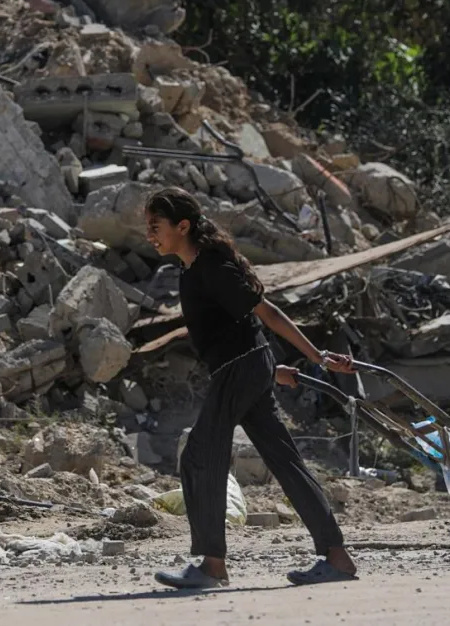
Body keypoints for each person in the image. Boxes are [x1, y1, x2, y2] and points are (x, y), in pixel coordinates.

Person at [144, 187, 359, 590]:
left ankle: (211, 565)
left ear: (183, 226)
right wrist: (268, 368)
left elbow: (267, 312)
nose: (149, 235)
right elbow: (237, 329)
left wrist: (316, 356)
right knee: (284, 461)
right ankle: (337, 556)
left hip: (239, 370)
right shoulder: (190, 270)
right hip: (246, 366)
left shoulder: (210, 266)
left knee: (199, 456)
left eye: (156, 226)